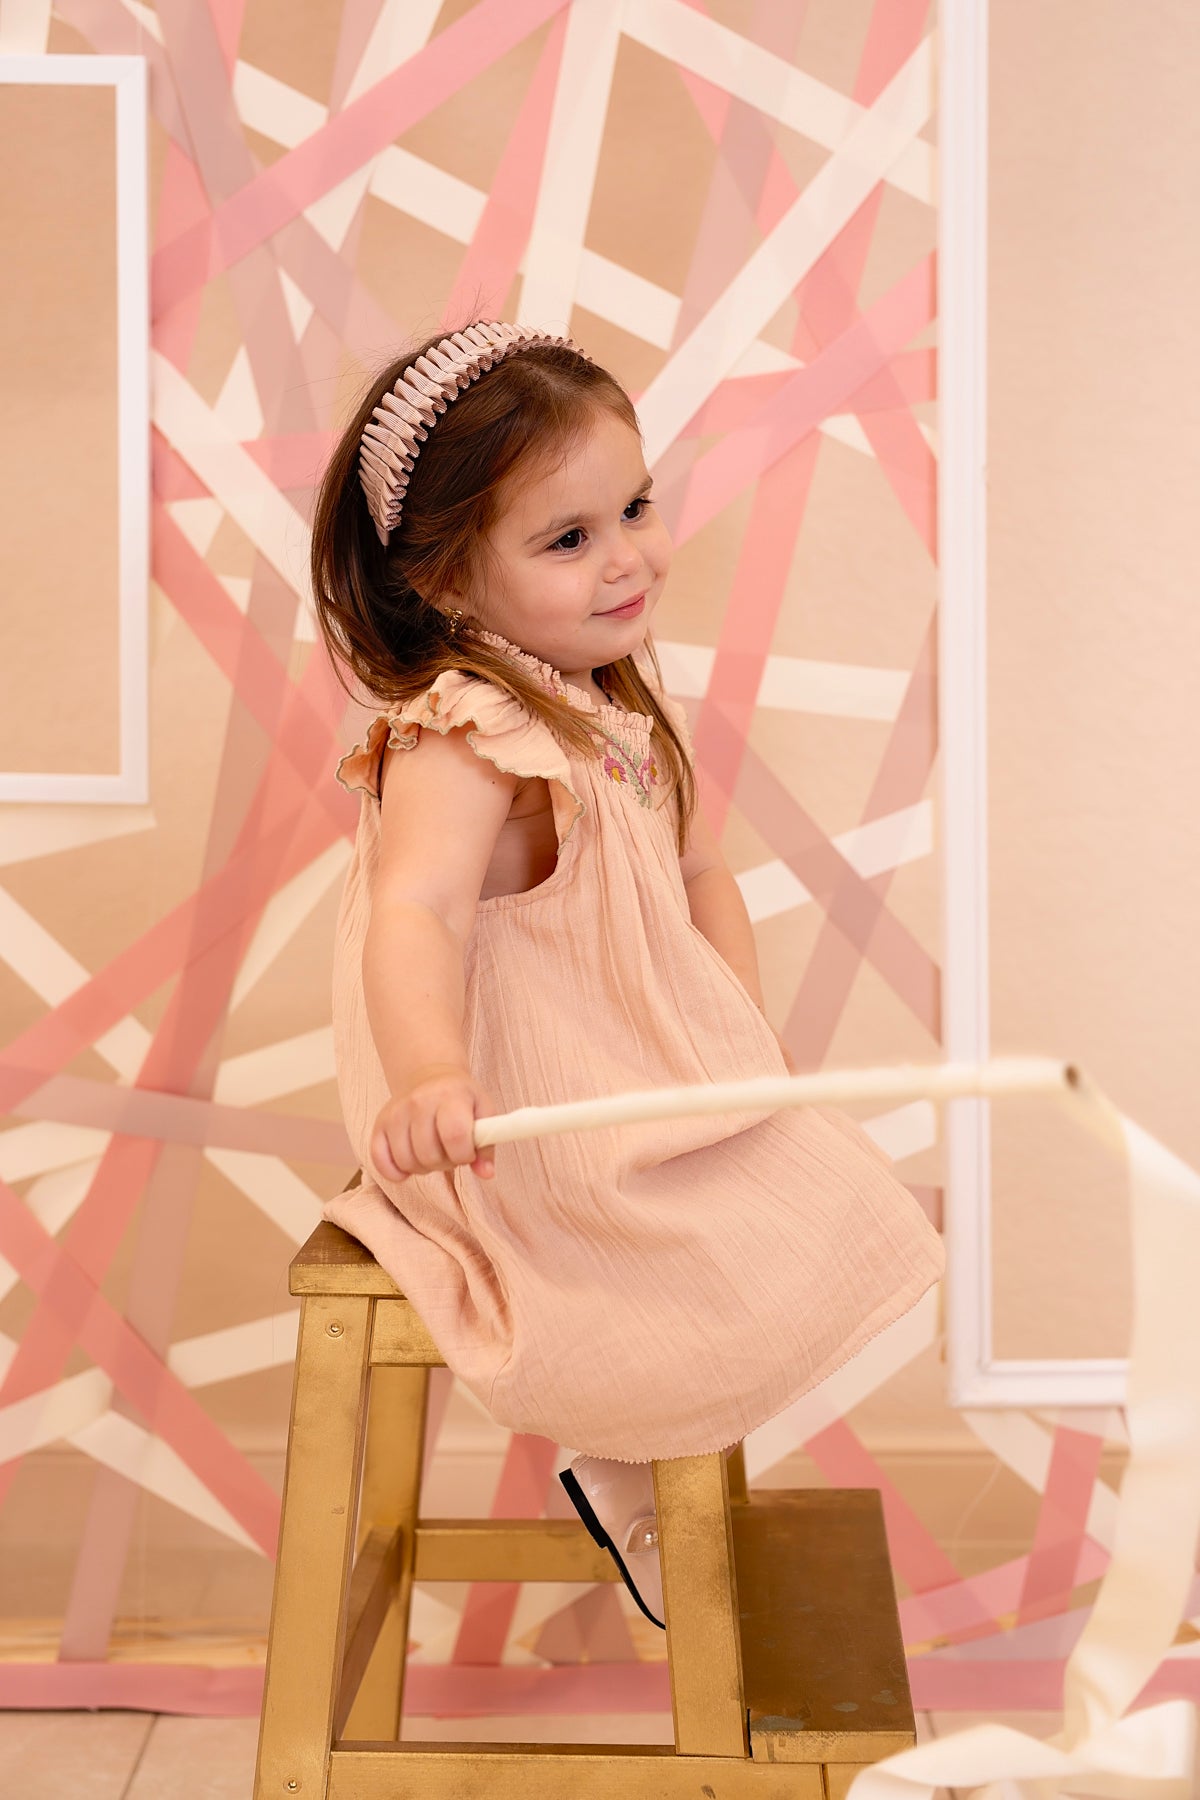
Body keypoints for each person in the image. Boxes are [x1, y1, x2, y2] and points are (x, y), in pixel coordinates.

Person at [310, 320, 945, 1628]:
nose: (629, 558)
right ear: (445, 581)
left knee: (809, 1189)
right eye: (568, 539)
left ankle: (644, 1452)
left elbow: (704, 875)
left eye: (637, 508)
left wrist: (736, 1040)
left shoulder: (613, 703)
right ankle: (629, 1457)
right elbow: (415, 911)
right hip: (514, 1114)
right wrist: (430, 1073)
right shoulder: (467, 732)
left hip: (629, 1068)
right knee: (701, 1246)